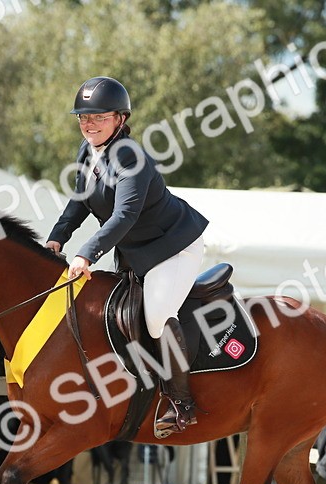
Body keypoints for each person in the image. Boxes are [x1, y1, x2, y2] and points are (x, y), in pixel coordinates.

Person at [44, 76, 210, 436]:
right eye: (82, 118)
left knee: (156, 317)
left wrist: (86, 254)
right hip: (137, 252)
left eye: (98, 117)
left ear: (120, 119)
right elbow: (79, 204)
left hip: (173, 246)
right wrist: (56, 240)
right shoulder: (87, 153)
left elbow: (124, 215)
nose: (88, 124)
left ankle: (182, 404)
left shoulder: (130, 157)